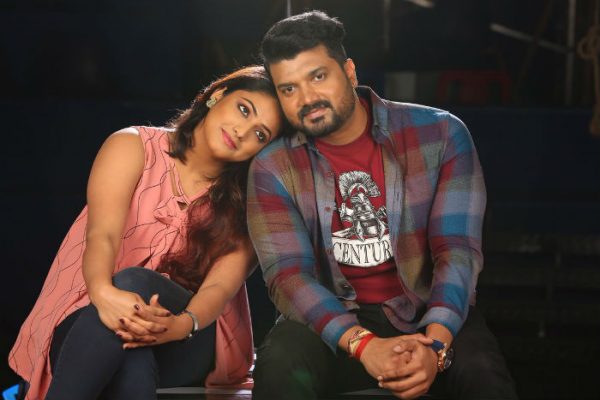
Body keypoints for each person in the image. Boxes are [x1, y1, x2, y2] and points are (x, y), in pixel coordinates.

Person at [247, 11, 518, 400]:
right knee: (280, 363)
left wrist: (435, 346)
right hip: (331, 323)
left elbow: (456, 251)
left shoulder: (441, 134)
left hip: (425, 311)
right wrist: (363, 344)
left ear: (350, 72)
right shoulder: (273, 166)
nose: (306, 99)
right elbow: (288, 276)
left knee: (481, 373)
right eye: (288, 89)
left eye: (318, 77)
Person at [8, 65, 283, 400]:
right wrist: (103, 293)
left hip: (188, 333)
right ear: (217, 96)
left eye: (260, 135)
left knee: (133, 282)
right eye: (243, 110)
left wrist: (181, 325)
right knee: (131, 357)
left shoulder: (251, 203)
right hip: (92, 307)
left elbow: (220, 287)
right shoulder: (132, 145)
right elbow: (102, 235)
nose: (242, 131)